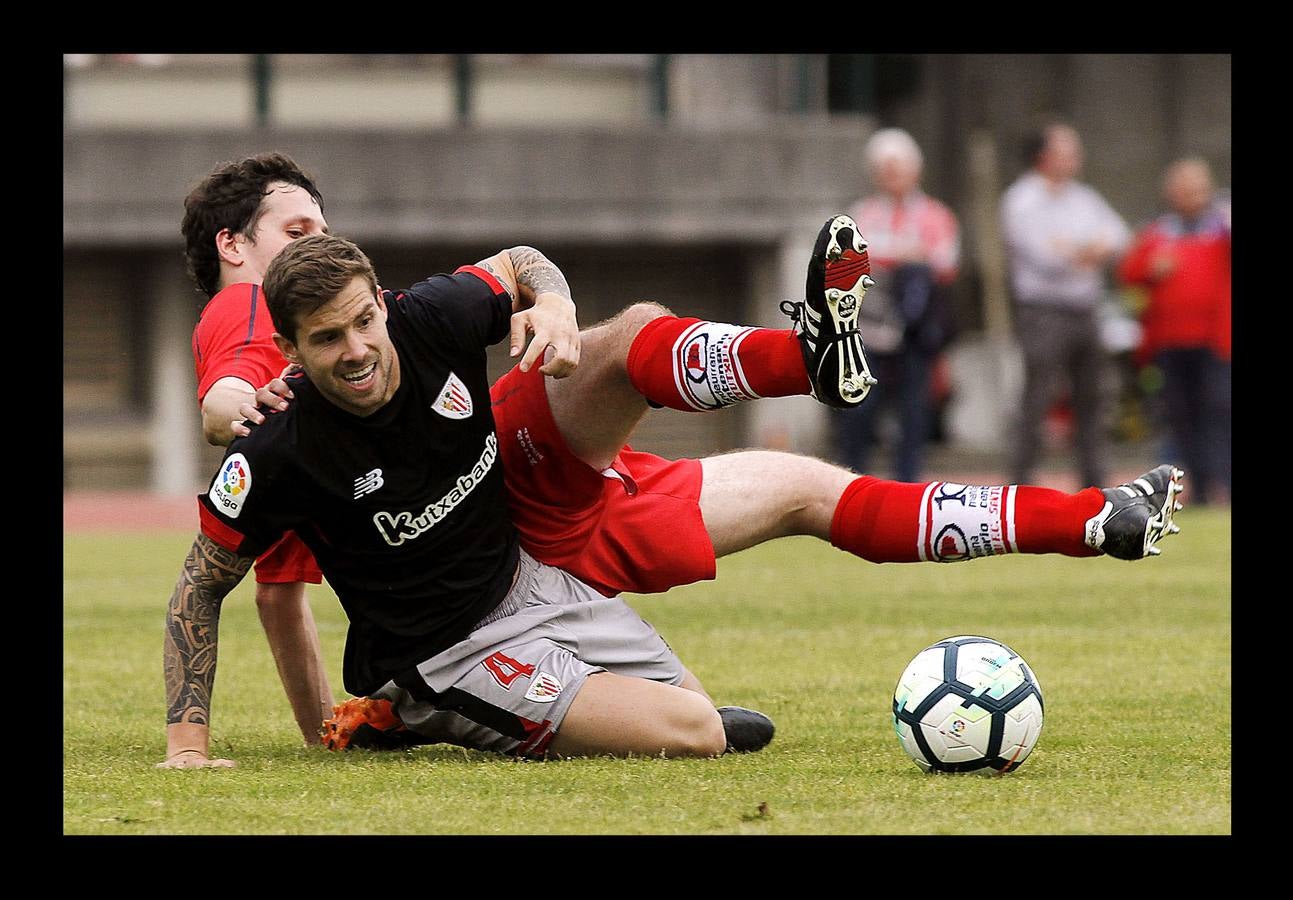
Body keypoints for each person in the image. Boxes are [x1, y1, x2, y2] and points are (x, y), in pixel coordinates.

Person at [160, 223, 1185, 768]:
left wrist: (554, 306)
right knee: (699, 729)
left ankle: (1081, 510)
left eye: (360, 322)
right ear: (266, 309)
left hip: (528, 519)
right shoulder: (272, 423)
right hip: (471, 612)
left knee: (760, 447)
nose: (353, 349)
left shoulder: (422, 317)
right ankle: (423, 712)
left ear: (380, 302)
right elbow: (215, 552)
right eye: (324, 337)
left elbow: (519, 262)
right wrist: (189, 746)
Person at [1001, 122, 1132, 488]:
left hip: (1085, 309)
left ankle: (1095, 485)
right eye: (1068, 150)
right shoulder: (1021, 200)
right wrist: (1089, 249)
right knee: (1037, 398)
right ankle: (1020, 484)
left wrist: (1078, 250)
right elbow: (1046, 257)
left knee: (1093, 398)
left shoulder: (1083, 197)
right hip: (1042, 312)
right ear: (1044, 157)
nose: (1078, 157)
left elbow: (1119, 236)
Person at [835, 127, 960, 482]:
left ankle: (907, 487)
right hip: (868, 326)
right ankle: (850, 483)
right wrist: (906, 254)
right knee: (859, 405)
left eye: (899, 168)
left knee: (914, 410)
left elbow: (945, 262)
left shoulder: (936, 215)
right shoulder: (862, 213)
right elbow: (847, 261)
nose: (893, 177)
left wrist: (885, 255)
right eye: (886, 169)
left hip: (915, 327)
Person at [1117, 158, 1231, 505]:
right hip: (1169, 341)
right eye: (1186, 189)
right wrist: (1151, 268)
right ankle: (1198, 488)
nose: (1194, 196)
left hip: (1215, 340)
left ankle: (1223, 482)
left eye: (1199, 188)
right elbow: (1129, 272)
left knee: (1220, 411)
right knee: (1181, 415)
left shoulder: (1220, 229)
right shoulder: (1158, 232)